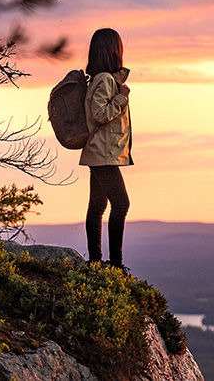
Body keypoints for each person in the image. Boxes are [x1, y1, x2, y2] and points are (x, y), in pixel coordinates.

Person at [79, 28, 133, 273]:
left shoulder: (103, 78)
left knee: (98, 206)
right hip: (103, 154)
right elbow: (99, 114)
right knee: (120, 204)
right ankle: (114, 264)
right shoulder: (104, 80)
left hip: (101, 152)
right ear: (114, 50)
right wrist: (121, 99)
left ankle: (96, 262)